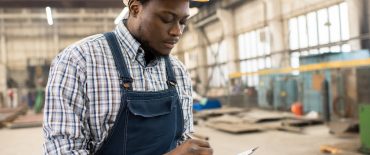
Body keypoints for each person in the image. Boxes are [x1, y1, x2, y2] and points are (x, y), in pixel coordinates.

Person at [43, 0, 213, 155]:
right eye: (166, 18)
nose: (177, 31)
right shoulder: (80, 61)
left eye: (183, 22)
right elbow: (63, 151)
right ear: (135, 9)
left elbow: (181, 138)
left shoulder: (178, 72)